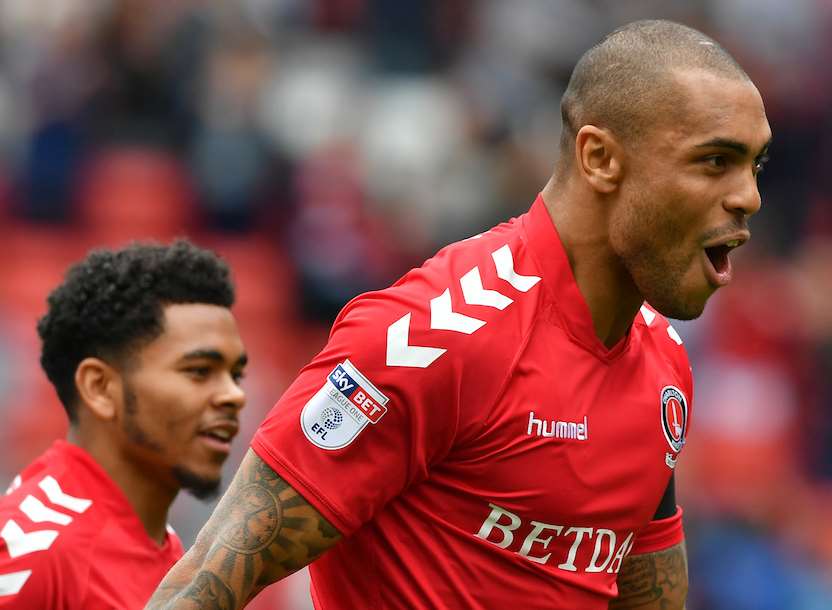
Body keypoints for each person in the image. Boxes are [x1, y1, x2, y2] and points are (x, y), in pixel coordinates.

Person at [147, 19, 772, 610]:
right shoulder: (430, 339)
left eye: (755, 164)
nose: (749, 195)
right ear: (601, 159)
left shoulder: (663, 363)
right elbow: (206, 579)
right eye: (714, 161)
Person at [0, 240, 248, 608]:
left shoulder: (167, 550)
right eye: (199, 372)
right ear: (99, 387)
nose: (233, 395)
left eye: (235, 375)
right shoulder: (36, 553)